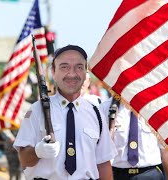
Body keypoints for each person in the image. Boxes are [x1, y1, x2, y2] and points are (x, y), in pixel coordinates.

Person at [13, 45, 117, 180]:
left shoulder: (96, 113)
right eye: (64, 67)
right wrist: (38, 151)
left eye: (79, 67)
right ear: (53, 72)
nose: (72, 73)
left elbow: (103, 163)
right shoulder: (36, 110)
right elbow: (24, 160)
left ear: (86, 73)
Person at [99, 97, 168, 180]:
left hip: (150, 174)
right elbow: (101, 152)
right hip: (118, 174)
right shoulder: (106, 108)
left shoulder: (155, 107)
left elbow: (166, 151)